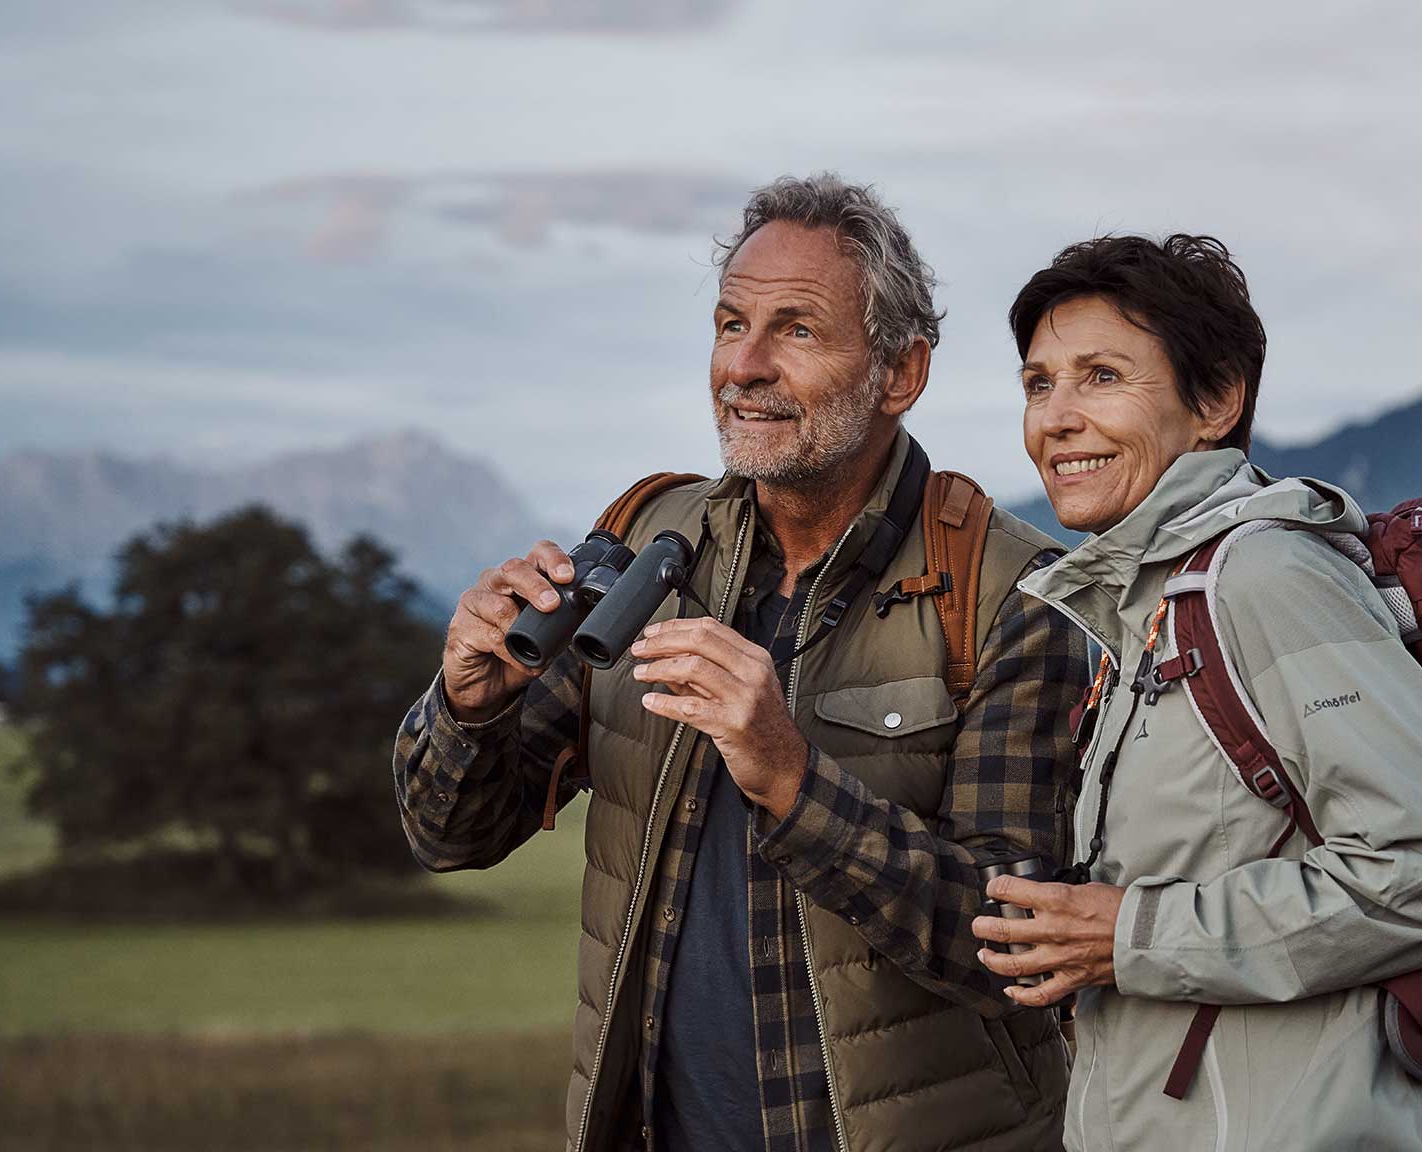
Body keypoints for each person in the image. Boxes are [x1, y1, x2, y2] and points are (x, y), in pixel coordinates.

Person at [394, 174, 1087, 1152]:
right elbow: (449, 836)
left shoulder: (1009, 590)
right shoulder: (639, 539)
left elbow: (1017, 949)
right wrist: (467, 708)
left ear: (900, 371)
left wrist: (794, 780)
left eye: (796, 330)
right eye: (731, 323)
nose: (745, 366)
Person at [970, 234, 1422, 1150]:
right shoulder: (1146, 609)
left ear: (1216, 402)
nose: (1055, 417)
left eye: (1101, 376)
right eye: (1037, 382)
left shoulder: (1265, 577)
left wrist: (1131, 936)